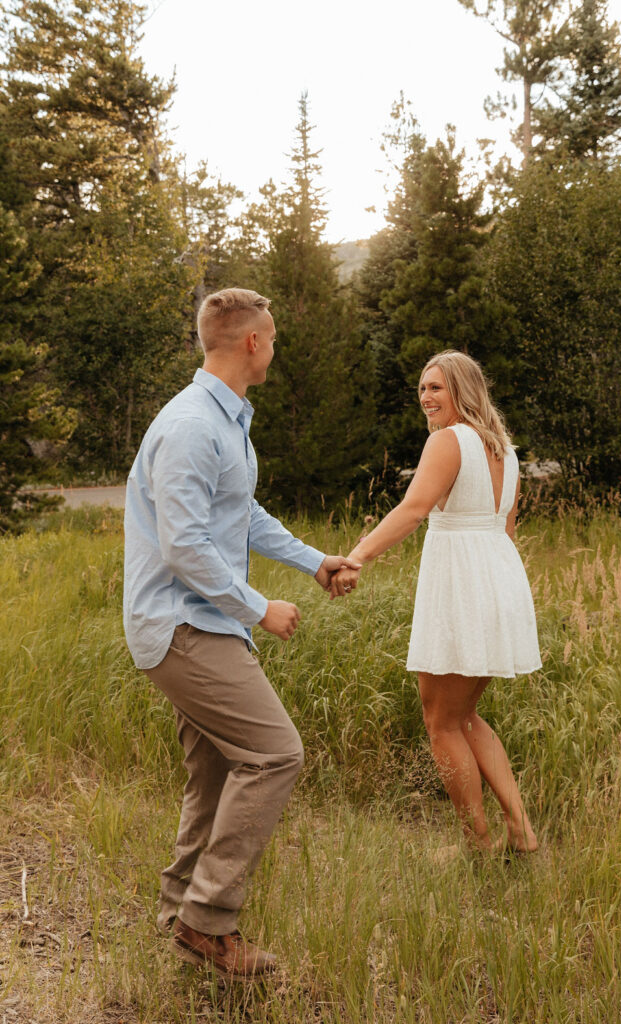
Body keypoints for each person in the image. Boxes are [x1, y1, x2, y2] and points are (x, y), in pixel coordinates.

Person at [123, 288, 359, 979]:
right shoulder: (194, 424)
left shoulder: (225, 422)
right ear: (251, 341)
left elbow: (243, 516)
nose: (275, 347)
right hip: (181, 623)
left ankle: (180, 915)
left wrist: (314, 562)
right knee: (276, 753)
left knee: (218, 773)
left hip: (202, 620)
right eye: (274, 337)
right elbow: (184, 547)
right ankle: (208, 920)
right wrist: (260, 607)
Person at [331, 350, 541, 855]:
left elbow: (414, 509)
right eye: (423, 388)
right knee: (464, 714)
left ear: (463, 391)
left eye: (437, 388)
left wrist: (358, 555)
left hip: (463, 587)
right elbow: (505, 530)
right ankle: (521, 831)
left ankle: (477, 842)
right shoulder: (505, 450)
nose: (426, 397)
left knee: (441, 720)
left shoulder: (449, 441)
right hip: (500, 583)